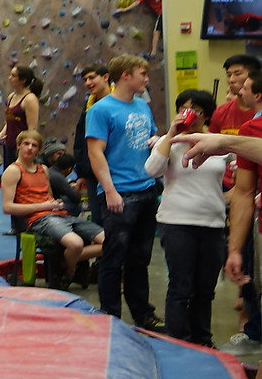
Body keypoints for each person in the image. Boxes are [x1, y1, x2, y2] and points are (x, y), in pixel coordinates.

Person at [174, 131, 262, 379]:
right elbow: (243, 191)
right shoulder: (253, 129)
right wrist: (236, 248)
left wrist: (223, 142)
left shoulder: (241, 138)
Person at [86, 54, 165, 331]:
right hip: (120, 192)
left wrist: (158, 140)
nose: (146, 79)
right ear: (125, 76)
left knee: (140, 258)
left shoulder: (142, 106)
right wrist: (109, 191)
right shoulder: (101, 110)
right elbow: (95, 153)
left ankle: (143, 314)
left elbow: (150, 137)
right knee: (113, 257)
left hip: (146, 190)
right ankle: (111, 316)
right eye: (142, 74)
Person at [144, 89, 225, 346]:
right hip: (176, 223)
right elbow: (152, 170)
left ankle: (203, 339)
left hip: (212, 224)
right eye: (184, 109)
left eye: (197, 110)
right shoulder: (169, 142)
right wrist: (171, 135)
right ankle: (180, 341)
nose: (190, 115)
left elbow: (238, 179)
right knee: (181, 287)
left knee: (205, 289)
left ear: (206, 115)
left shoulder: (218, 143)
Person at [1, 130, 105, 289]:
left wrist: (55, 203)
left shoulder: (43, 169)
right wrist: (44, 206)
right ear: (18, 146)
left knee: (109, 242)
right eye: (26, 144)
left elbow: (48, 197)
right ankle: (69, 272)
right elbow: (7, 207)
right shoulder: (13, 171)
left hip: (59, 215)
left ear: (39, 150)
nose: (29, 148)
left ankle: (66, 261)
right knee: (75, 244)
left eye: (34, 145)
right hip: (39, 220)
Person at [208, 54, 262, 351]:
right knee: (248, 267)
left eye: (238, 74)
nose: (232, 81)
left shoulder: (251, 128)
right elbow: (243, 190)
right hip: (239, 197)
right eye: (228, 75)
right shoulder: (233, 119)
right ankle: (252, 326)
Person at [0, 65, 43, 233]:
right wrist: (0, 137)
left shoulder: (30, 99)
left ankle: (28, 223)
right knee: (10, 186)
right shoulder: (11, 96)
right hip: (9, 146)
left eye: (14, 75)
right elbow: (9, 122)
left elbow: (32, 128)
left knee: (23, 186)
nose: (10, 78)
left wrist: (28, 150)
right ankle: (15, 225)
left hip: (22, 150)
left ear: (22, 80)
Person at [73, 64, 113, 226]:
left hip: (114, 169)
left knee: (114, 217)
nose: (88, 83)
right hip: (92, 172)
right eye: (85, 79)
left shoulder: (118, 102)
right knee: (98, 218)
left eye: (92, 77)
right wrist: (81, 171)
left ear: (105, 77)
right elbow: (81, 139)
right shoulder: (89, 106)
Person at [48, 152, 82, 218]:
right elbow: (76, 198)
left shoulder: (50, 170)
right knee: (76, 205)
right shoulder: (58, 177)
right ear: (69, 169)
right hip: (50, 207)